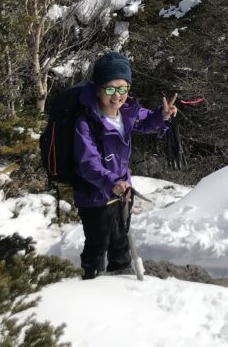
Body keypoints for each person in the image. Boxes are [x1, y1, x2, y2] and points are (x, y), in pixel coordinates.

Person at [73, 51, 178, 279]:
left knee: (120, 243)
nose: (117, 96)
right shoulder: (86, 122)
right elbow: (88, 163)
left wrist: (162, 115)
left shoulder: (128, 112)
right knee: (97, 246)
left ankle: (122, 283)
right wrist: (112, 182)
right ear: (98, 89)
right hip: (94, 195)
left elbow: (147, 121)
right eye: (110, 89)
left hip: (122, 192)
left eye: (123, 89)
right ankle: (90, 286)